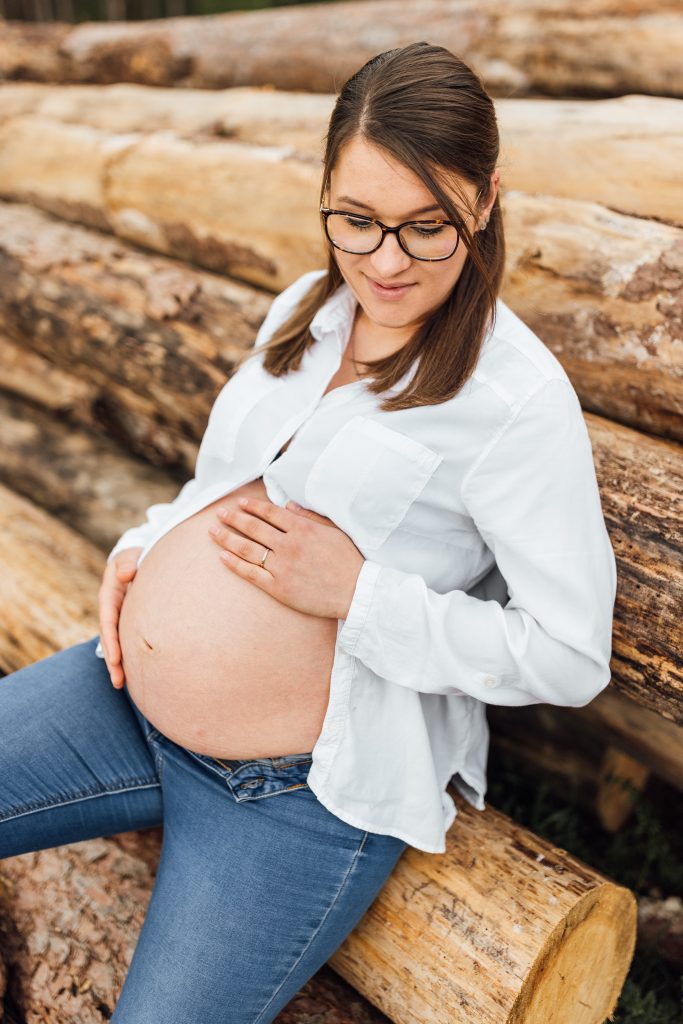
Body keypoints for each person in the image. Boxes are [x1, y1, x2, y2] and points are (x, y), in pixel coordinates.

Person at [0, 42, 617, 1023]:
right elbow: (217, 485)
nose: (382, 260)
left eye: (425, 228)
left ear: (485, 200)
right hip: (122, 696)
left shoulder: (513, 399)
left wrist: (356, 594)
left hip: (296, 795)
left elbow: (569, 653)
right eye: (355, 220)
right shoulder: (307, 309)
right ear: (325, 189)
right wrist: (140, 553)